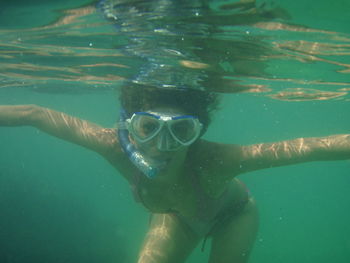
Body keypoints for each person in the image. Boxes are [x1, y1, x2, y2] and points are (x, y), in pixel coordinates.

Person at [0, 84, 349, 263]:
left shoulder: (215, 160)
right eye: (149, 127)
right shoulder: (113, 146)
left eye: (181, 132)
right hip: (177, 217)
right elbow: (35, 113)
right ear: (128, 129)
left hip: (232, 215)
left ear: (198, 134)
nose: (162, 145)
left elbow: (313, 147)